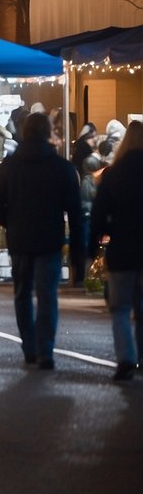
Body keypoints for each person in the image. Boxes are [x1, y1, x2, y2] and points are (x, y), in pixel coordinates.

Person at [0, 112, 84, 369]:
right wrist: (78, 255)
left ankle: (29, 345)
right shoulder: (61, 168)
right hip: (49, 240)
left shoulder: (10, 165)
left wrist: (9, 221)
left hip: (19, 239)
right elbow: (75, 213)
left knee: (22, 293)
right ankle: (45, 349)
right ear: (47, 133)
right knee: (47, 295)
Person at [88, 121, 143, 381]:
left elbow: (98, 214)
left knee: (120, 308)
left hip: (122, 250)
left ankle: (125, 359)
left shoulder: (114, 174)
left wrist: (91, 245)